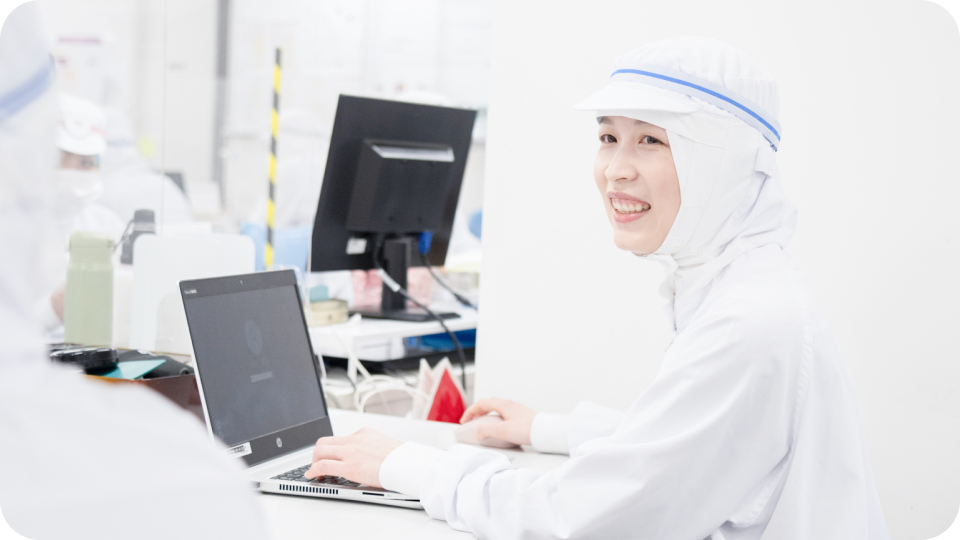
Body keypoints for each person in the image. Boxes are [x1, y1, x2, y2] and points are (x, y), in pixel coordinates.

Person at [301, 37, 890, 539]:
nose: (616, 169)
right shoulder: (743, 285)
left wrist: (406, 465)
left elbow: (579, 520)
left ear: (727, 162)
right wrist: (548, 429)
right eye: (608, 137)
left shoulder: (748, 322)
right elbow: (682, 443)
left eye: (651, 141)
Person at [0, 5, 266, 538]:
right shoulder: (175, 479)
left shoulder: (101, 221)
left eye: (90, 161)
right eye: (68, 158)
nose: (78, 172)